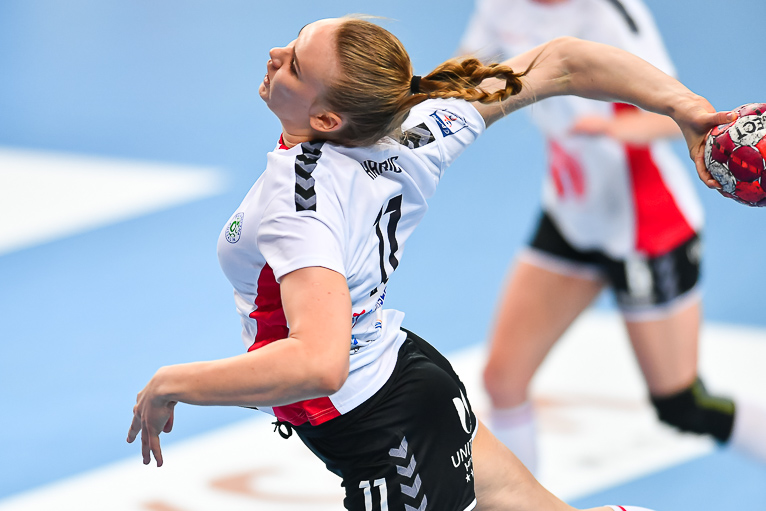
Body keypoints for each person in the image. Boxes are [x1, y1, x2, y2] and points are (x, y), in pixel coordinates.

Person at [127, 15, 730, 511]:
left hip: (385, 432)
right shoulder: (417, 129)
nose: (275, 55)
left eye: (296, 65)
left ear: (328, 120)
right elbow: (564, 62)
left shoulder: (300, 203)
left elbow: (319, 363)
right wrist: (685, 107)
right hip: (405, 378)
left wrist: (172, 383)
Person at [457, 0, 766, 475]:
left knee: (683, 405)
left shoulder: (608, 14)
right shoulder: (500, 6)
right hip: (572, 217)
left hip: (648, 228)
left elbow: (672, 113)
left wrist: (612, 127)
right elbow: (465, 76)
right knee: (503, 381)